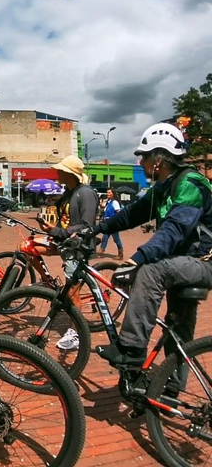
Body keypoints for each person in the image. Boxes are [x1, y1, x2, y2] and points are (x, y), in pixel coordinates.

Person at [90, 123, 212, 374]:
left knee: (150, 270)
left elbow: (175, 229)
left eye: (143, 156)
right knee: (178, 331)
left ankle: (131, 350)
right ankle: (167, 393)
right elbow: (130, 216)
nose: (141, 161)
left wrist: (137, 258)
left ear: (158, 159)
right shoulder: (162, 188)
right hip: (183, 262)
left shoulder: (191, 184)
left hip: (204, 262)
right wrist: (96, 229)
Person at [35, 154, 99, 351]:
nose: (57, 173)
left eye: (60, 170)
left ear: (69, 173)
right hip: (62, 239)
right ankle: (50, 285)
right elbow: (65, 220)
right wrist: (51, 228)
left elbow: (85, 226)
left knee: (73, 291)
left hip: (77, 246)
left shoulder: (85, 193)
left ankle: (76, 333)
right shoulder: (68, 193)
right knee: (27, 247)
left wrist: (57, 231)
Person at [99, 188, 123, 259]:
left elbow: (118, 212)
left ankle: (120, 254)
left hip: (113, 223)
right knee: (105, 237)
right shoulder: (108, 202)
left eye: (109, 192)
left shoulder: (114, 202)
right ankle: (101, 251)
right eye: (107, 192)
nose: (108, 194)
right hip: (107, 223)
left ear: (113, 193)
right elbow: (104, 207)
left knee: (116, 239)